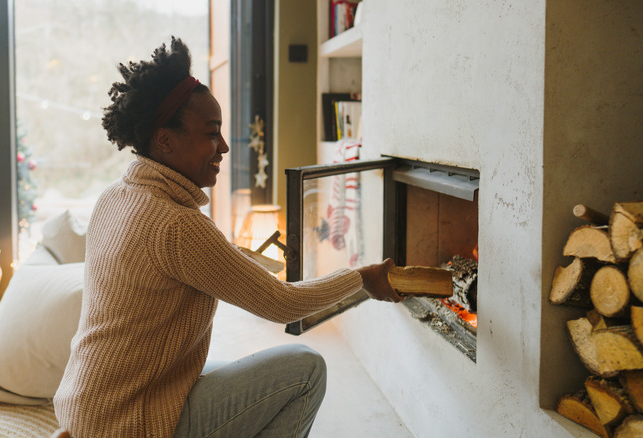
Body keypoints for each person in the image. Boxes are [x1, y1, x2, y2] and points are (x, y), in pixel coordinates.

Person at [53, 37, 403, 438]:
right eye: (210, 133)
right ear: (165, 141)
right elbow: (283, 305)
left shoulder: (115, 196)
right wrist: (361, 279)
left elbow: (159, 267)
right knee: (305, 370)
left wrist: (237, 257)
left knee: (229, 369)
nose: (222, 146)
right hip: (128, 422)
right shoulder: (177, 225)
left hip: (86, 406)